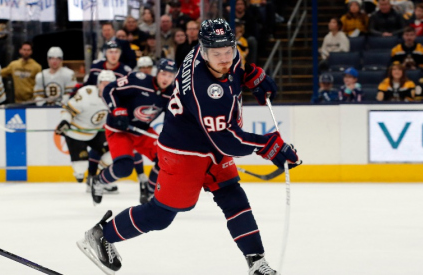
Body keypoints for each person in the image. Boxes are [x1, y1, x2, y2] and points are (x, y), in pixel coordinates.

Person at [77, 18, 301, 275]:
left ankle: (256, 262)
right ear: (204, 52)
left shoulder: (211, 51)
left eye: (229, 50)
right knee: (162, 215)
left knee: (234, 197)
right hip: (184, 152)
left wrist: (251, 74)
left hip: (209, 145)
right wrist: (269, 145)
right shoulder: (205, 89)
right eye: (217, 54)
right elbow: (228, 140)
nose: (225, 58)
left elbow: (236, 67)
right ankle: (101, 235)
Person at [88, 58, 178, 206]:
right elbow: (109, 89)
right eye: (163, 74)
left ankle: (148, 192)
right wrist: (116, 110)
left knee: (166, 159)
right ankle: (99, 181)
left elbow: (174, 117)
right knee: (124, 168)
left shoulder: (172, 93)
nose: (166, 79)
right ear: (157, 72)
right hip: (119, 130)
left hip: (142, 131)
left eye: (170, 75)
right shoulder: (138, 80)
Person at [55, 70, 118, 194]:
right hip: (76, 133)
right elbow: (68, 109)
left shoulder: (115, 97)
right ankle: (80, 172)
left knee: (113, 155)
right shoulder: (86, 93)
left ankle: (95, 180)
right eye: (103, 84)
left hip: (96, 132)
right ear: (98, 84)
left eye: (109, 84)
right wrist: (65, 122)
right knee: (81, 168)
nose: (106, 87)